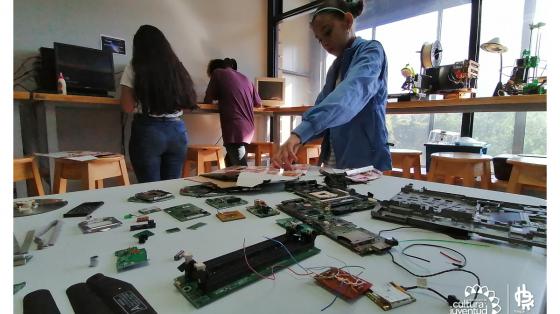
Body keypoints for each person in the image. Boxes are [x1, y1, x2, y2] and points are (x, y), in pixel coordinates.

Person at [272, 0, 391, 171]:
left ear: (348, 22)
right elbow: (322, 106)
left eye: (328, 32)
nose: (325, 43)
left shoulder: (371, 52)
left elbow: (350, 94)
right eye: (319, 40)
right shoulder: (335, 68)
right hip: (334, 158)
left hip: (364, 162)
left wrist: (299, 134)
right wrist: (300, 139)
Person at [120, 25, 198, 183]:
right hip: (177, 131)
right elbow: (185, 103)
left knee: (149, 191)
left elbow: (127, 106)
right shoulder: (177, 67)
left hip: (148, 131)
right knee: (170, 188)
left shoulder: (135, 66)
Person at [204, 58, 261, 167]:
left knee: (241, 170)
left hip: (235, 130)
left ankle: (252, 183)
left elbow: (208, 99)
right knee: (230, 164)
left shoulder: (217, 73)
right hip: (248, 130)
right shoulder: (245, 78)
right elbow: (258, 103)